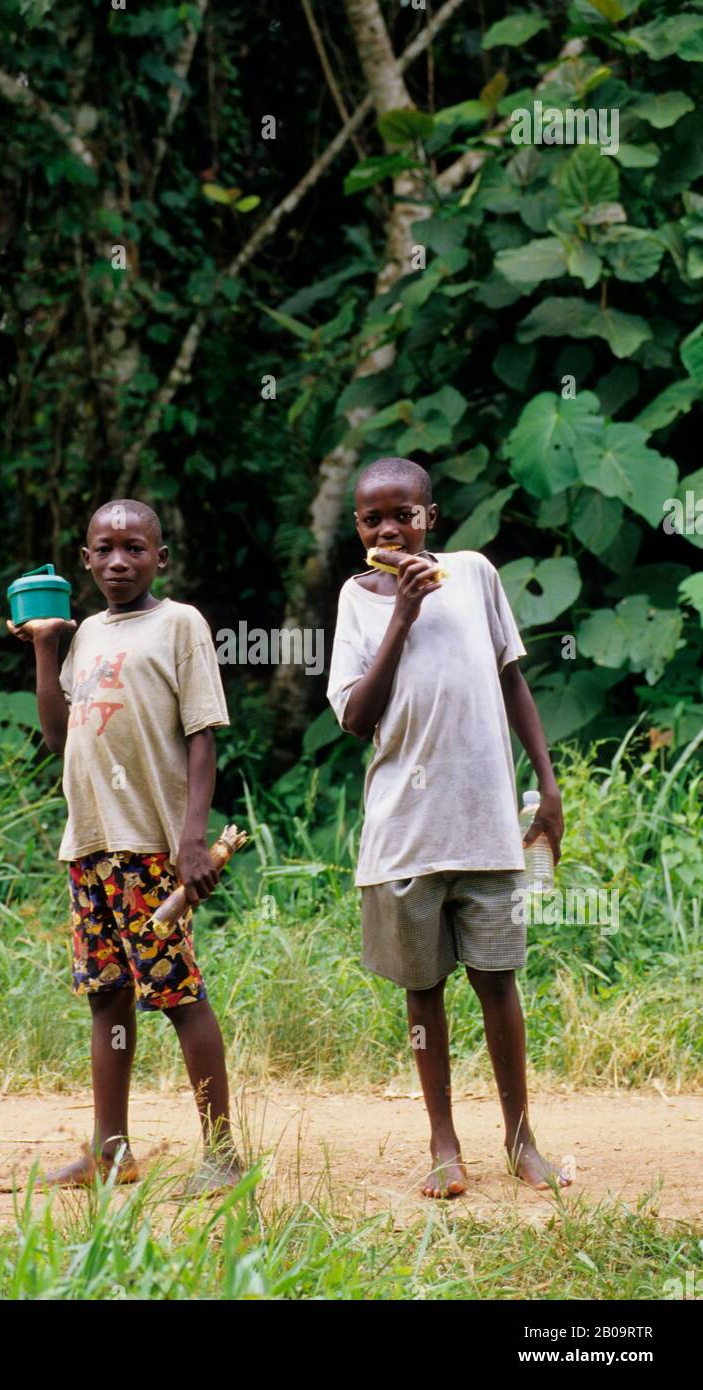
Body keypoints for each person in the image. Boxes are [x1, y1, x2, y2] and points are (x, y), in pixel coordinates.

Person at [326, 456, 571, 1199]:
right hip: (406, 832)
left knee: (499, 983)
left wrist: (548, 786)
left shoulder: (474, 573)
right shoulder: (358, 600)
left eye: (404, 512)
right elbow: (357, 719)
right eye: (374, 518)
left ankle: (521, 1138)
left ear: (431, 515)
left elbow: (510, 677)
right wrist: (402, 612)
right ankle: (443, 1142)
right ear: (358, 528)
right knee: (422, 990)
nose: (390, 528)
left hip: (487, 823)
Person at [8, 498, 240, 1195]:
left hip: (148, 849)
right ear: (84, 560)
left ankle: (223, 1155)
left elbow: (203, 736)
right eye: (104, 549)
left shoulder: (180, 625)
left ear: (159, 558)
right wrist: (47, 646)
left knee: (178, 996)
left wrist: (191, 840)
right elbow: (58, 737)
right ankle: (111, 1151)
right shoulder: (83, 638)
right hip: (90, 846)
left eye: (134, 548)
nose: (118, 560)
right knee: (105, 998)